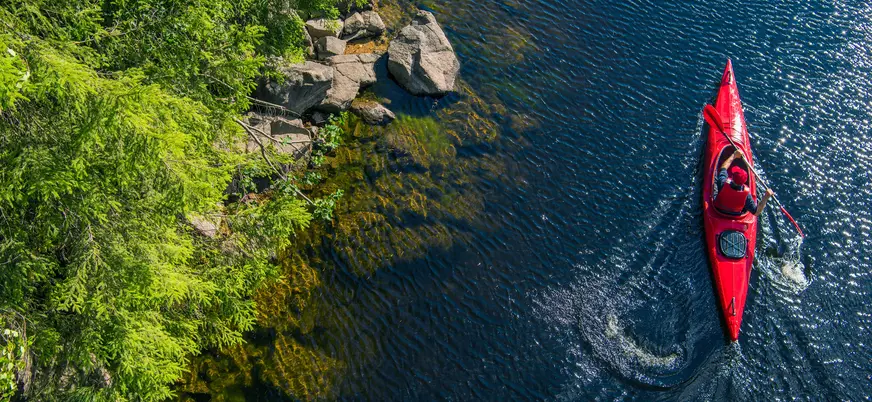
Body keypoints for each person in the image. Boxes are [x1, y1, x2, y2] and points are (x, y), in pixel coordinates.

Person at [715, 150, 773, 216]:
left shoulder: (722, 182)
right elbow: (756, 212)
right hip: (735, 214)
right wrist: (766, 196)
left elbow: (723, 168)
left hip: (719, 210)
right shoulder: (746, 196)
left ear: (732, 177)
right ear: (745, 181)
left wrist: (734, 155)